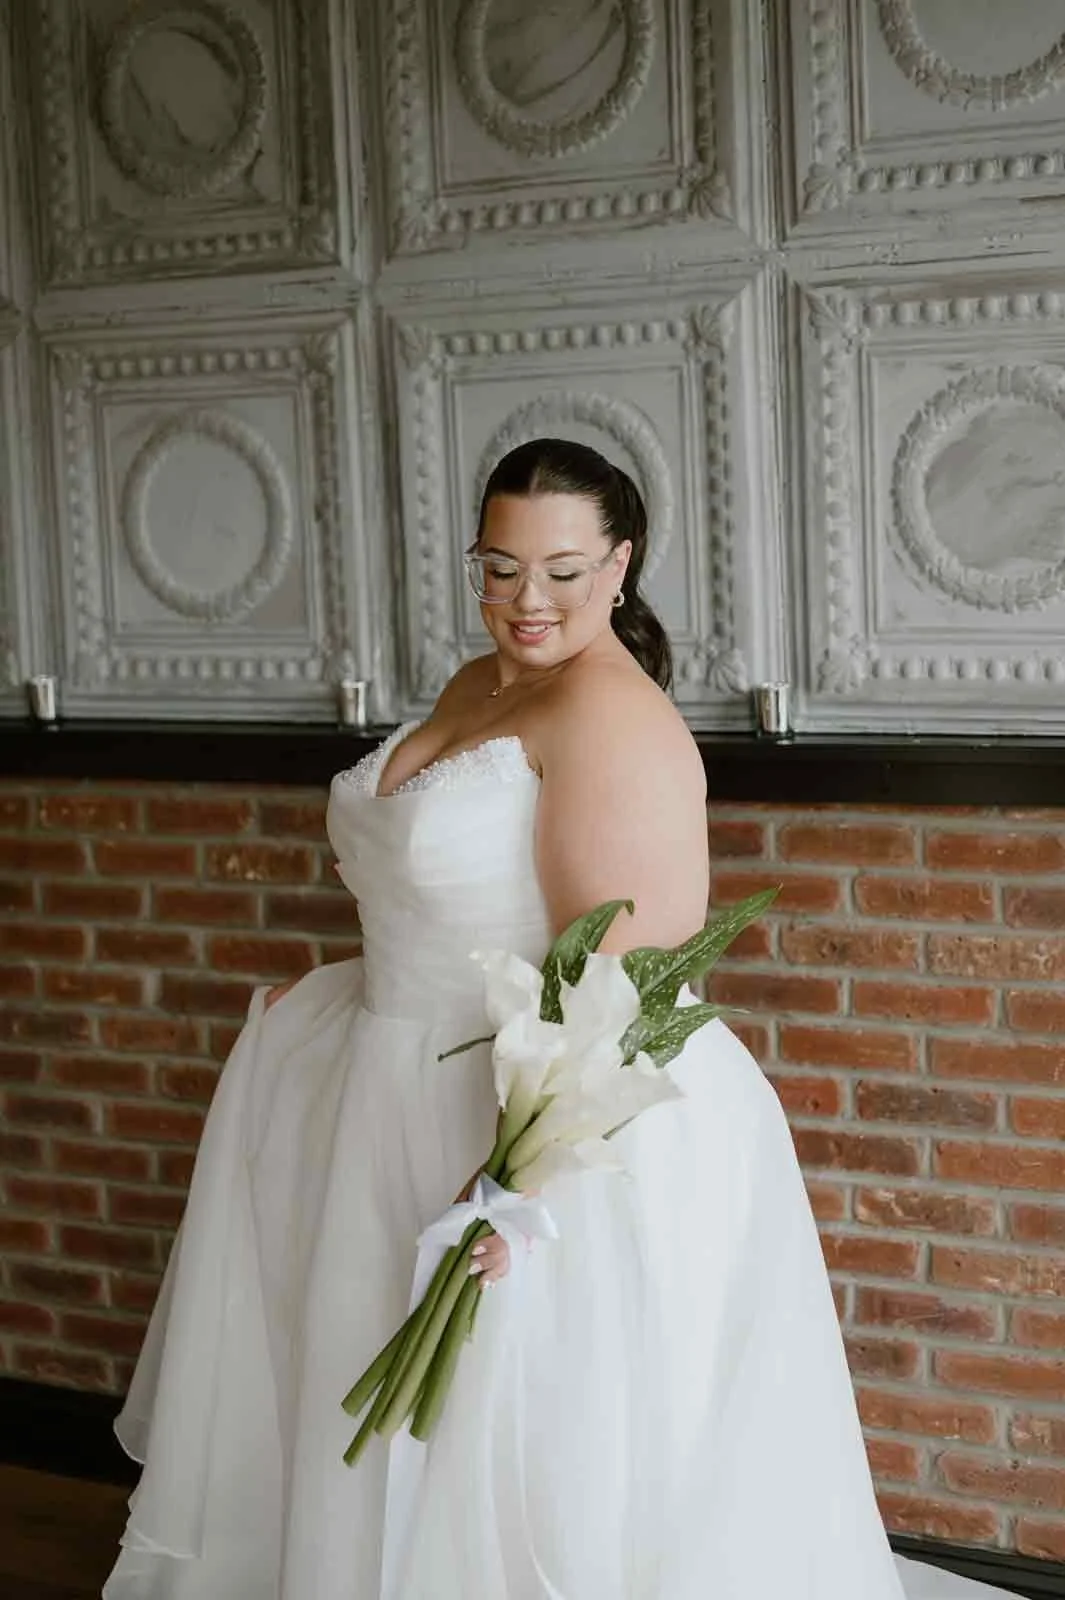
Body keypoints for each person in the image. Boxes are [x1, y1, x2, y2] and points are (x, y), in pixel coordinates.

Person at [105, 439, 1012, 1598]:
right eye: (499, 568)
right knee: (376, 1427)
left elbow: (631, 987)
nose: (526, 602)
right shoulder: (483, 682)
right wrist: (341, 988)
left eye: (564, 572)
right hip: (393, 1077)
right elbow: (465, 902)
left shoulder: (614, 719)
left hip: (535, 1121)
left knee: (525, 1451)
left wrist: (516, 1188)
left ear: (621, 564)